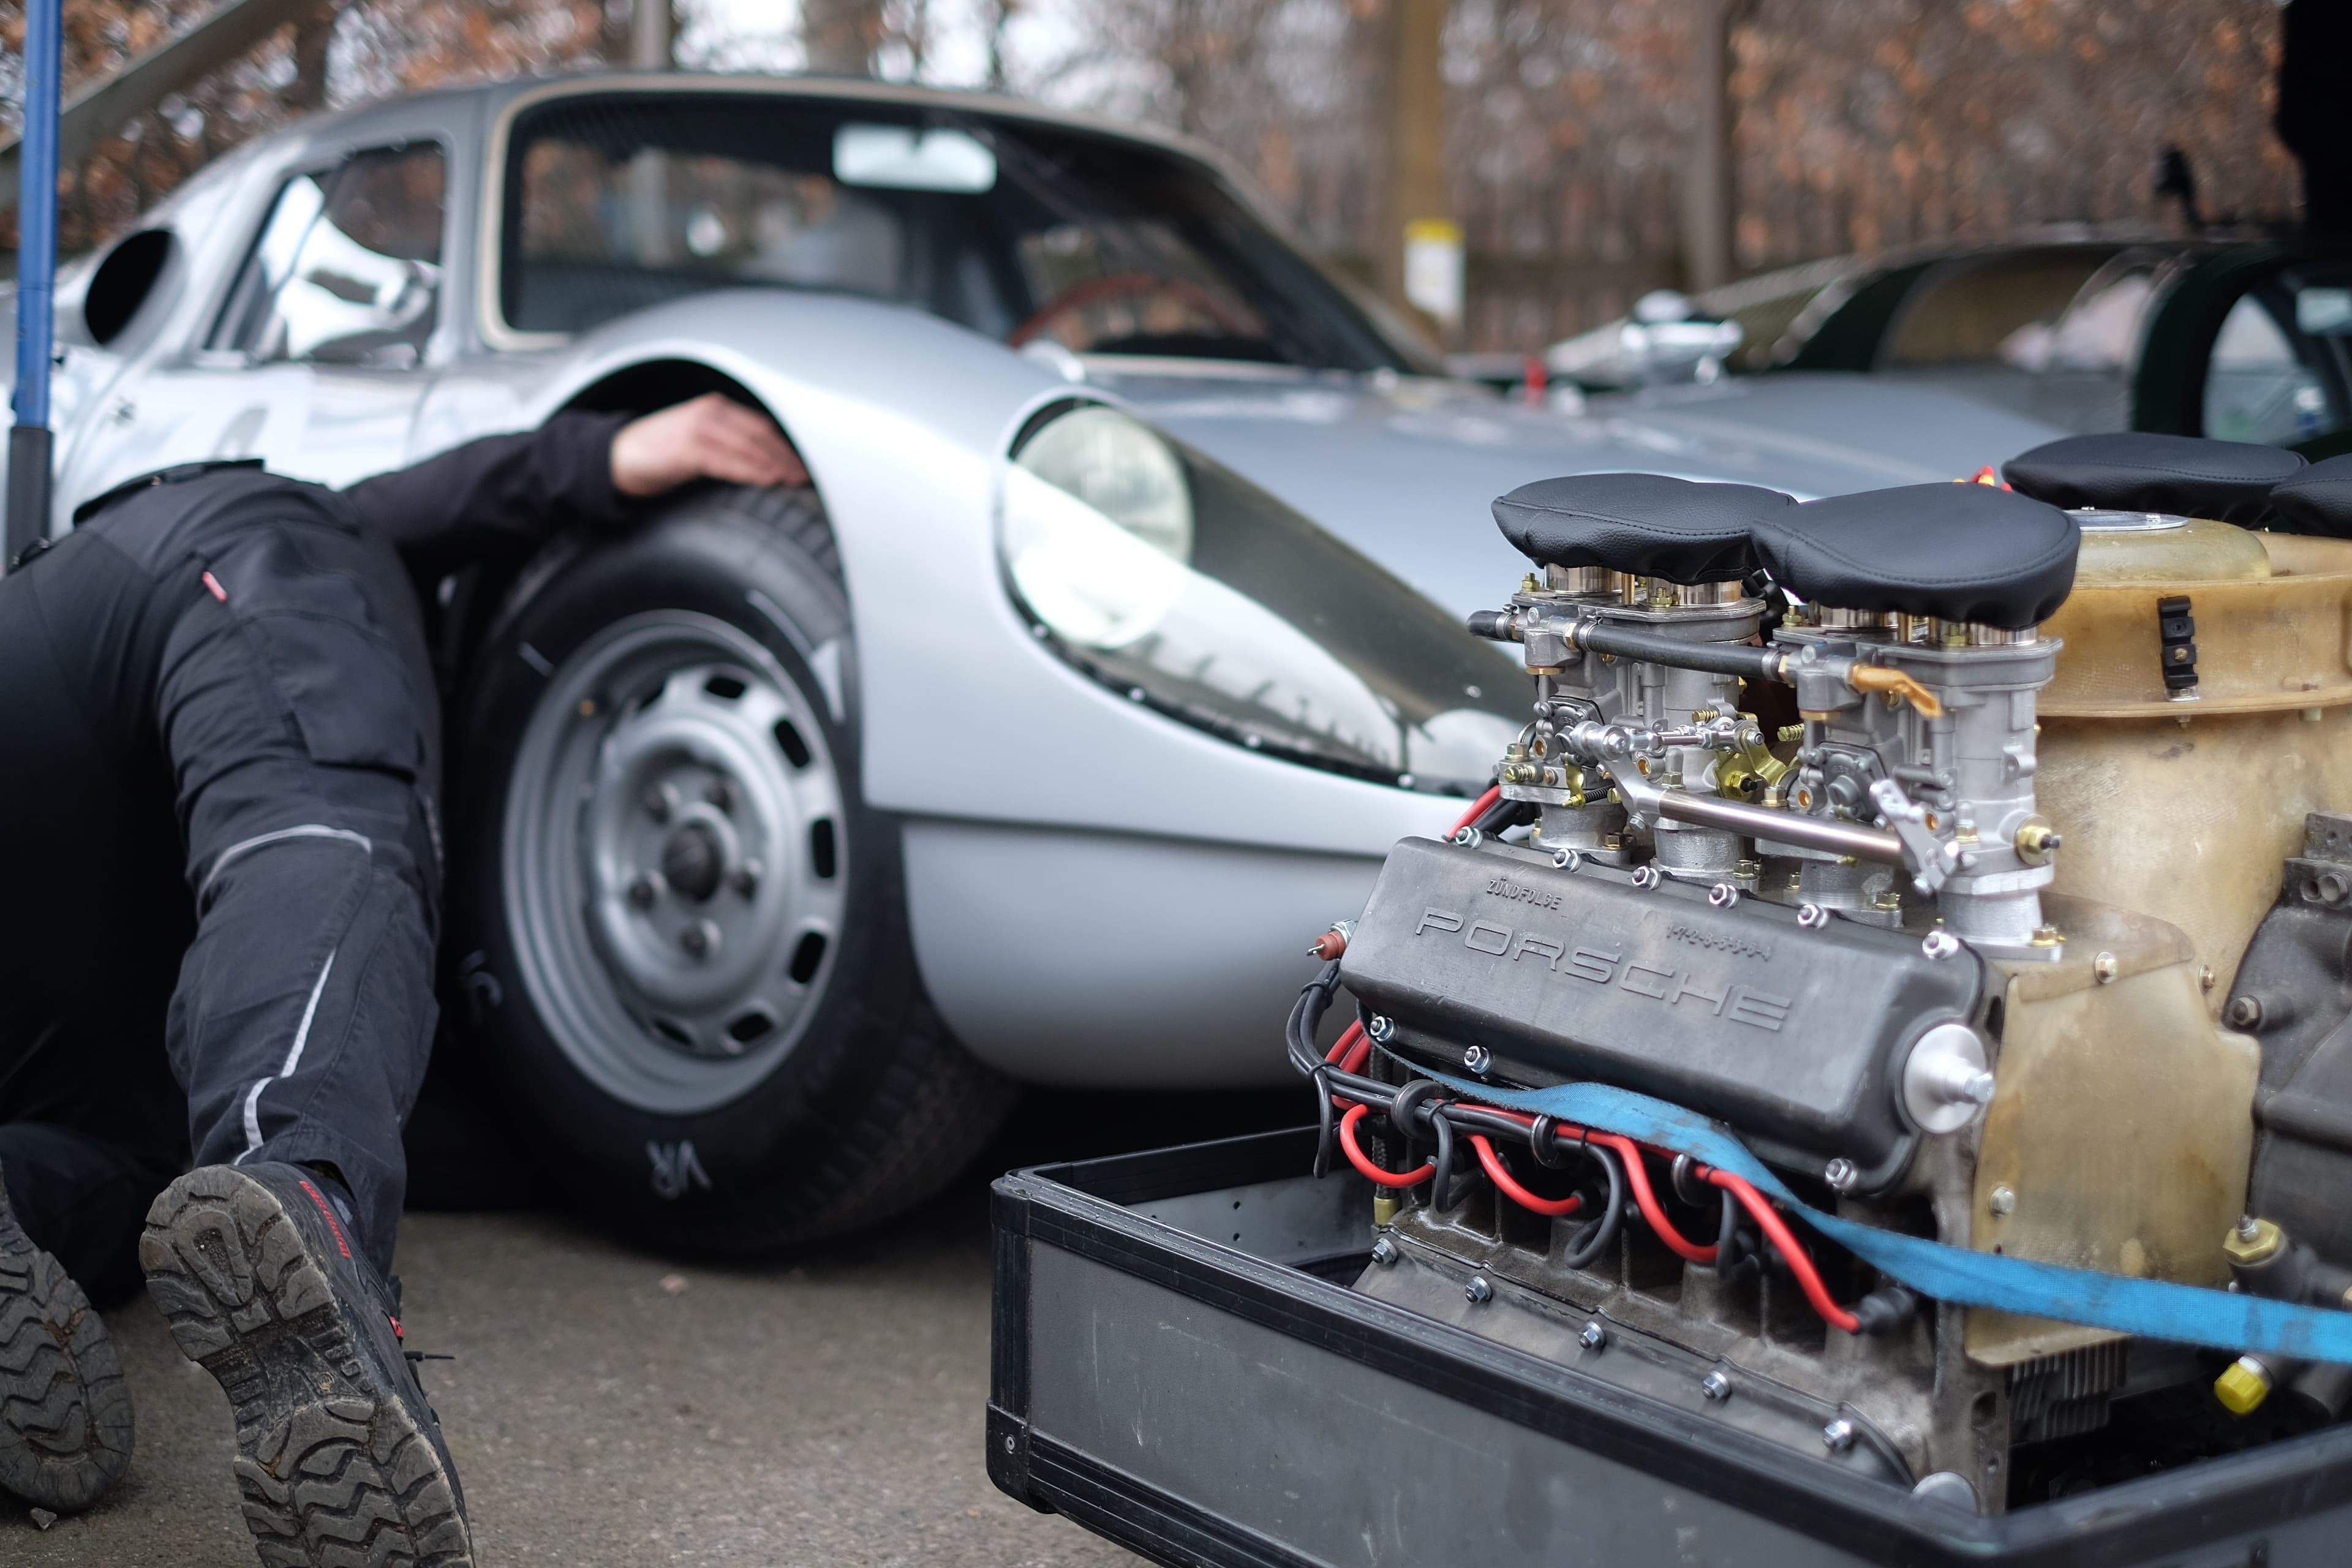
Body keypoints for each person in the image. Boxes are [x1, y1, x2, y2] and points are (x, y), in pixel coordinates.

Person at [0, 395, 803, 1561]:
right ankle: (300, 1180)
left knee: (122, 1171)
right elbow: (424, 501)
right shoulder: (316, 542)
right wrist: (603, 452)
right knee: (317, 834)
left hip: (47, 756)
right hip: (204, 576)